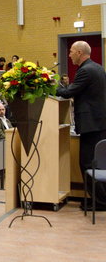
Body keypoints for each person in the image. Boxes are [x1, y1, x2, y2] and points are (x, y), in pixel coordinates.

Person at [56, 41, 106, 209]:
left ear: (79, 52)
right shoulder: (98, 67)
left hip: (91, 124)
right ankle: (99, 199)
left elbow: (70, 91)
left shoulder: (85, 70)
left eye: (71, 52)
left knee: (87, 163)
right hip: (99, 123)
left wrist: (49, 88)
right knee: (96, 163)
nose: (69, 55)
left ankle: (99, 202)